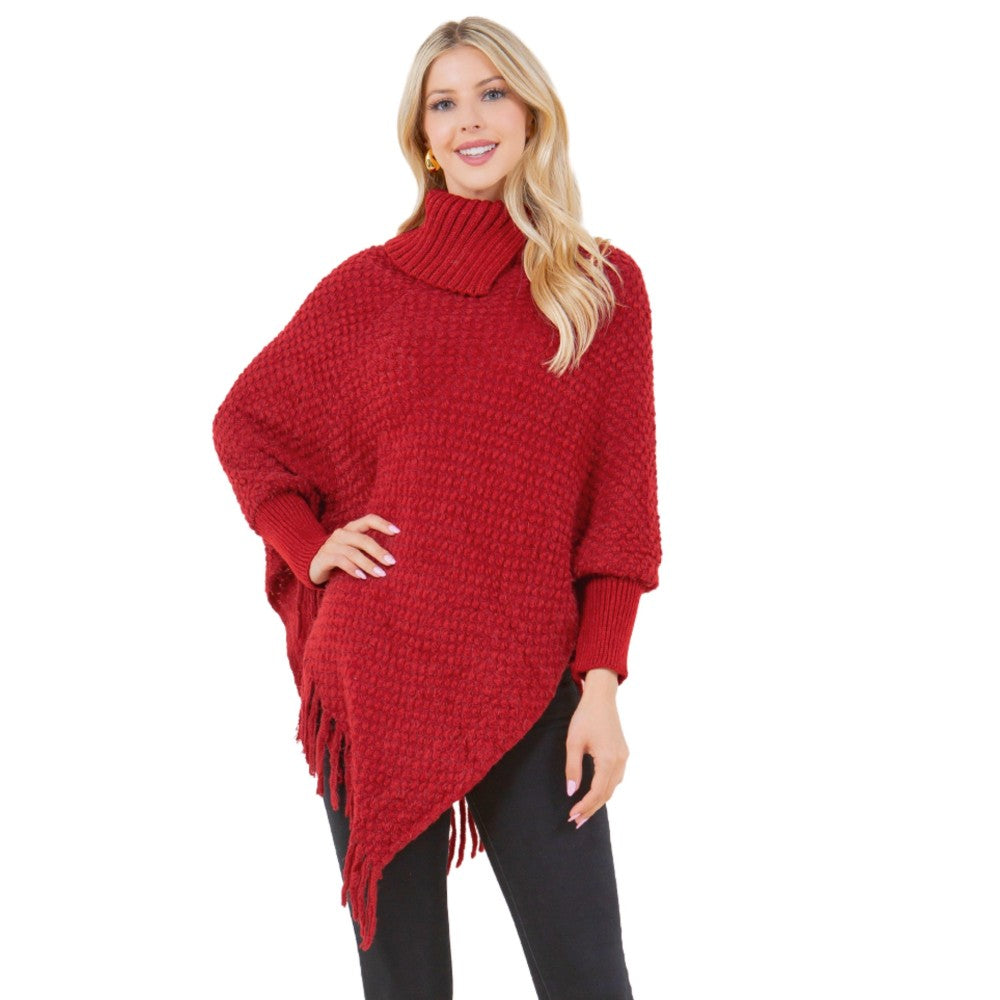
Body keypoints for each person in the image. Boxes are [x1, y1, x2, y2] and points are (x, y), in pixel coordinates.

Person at [212, 15, 661, 1000]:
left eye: (492, 94)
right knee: (405, 984)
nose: (470, 121)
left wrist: (601, 687)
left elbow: (620, 519)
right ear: (421, 136)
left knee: (587, 975)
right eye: (444, 103)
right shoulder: (366, 290)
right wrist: (309, 544)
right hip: (378, 676)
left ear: (532, 114)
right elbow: (246, 424)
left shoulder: (599, 288)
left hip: (533, 678)